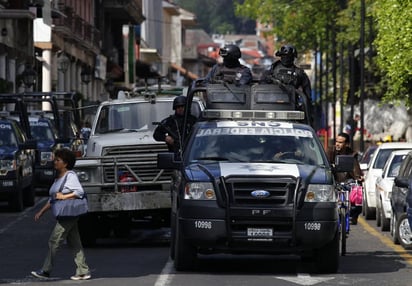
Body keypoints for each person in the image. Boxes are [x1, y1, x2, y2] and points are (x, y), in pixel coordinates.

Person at [31, 148, 91, 281]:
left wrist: (64, 197)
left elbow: (79, 192)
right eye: (55, 159)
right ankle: (83, 271)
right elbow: (53, 198)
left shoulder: (70, 176)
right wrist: (41, 211)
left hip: (69, 214)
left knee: (54, 240)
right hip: (66, 214)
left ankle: (46, 270)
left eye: (58, 160)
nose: (55, 162)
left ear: (66, 163)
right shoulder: (58, 177)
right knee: (75, 242)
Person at [327, 132, 363, 224]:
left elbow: (355, 168)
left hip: (347, 181)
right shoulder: (330, 152)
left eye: (341, 142)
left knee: (357, 194)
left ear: (346, 144)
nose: (337, 144)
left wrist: (359, 177)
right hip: (333, 180)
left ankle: (353, 216)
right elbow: (325, 166)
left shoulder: (352, 154)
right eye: (336, 142)